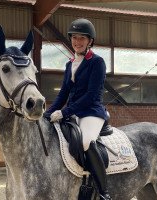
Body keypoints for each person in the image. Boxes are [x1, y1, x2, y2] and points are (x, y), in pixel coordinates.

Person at [45, 18, 112, 200]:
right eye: (74, 37)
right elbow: (63, 94)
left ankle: (103, 191)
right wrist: (48, 113)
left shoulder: (97, 62)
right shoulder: (69, 64)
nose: (77, 42)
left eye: (82, 38)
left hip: (92, 111)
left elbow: (91, 95)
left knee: (86, 141)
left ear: (90, 41)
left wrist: (65, 112)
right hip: (74, 111)